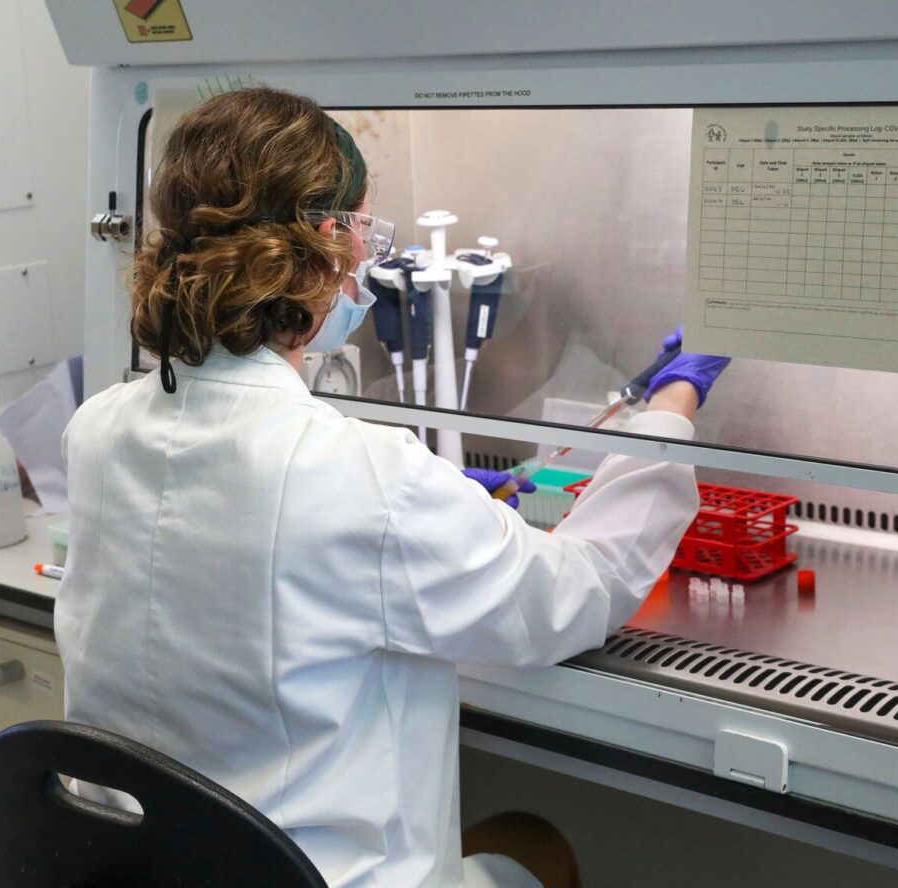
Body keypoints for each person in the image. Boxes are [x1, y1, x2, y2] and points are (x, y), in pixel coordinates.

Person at [55, 87, 729, 888]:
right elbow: (576, 594)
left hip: (145, 876)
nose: (366, 265)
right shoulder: (359, 475)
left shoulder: (96, 431)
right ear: (324, 248)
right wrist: (669, 412)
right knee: (538, 847)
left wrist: (438, 504)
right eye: (366, 233)